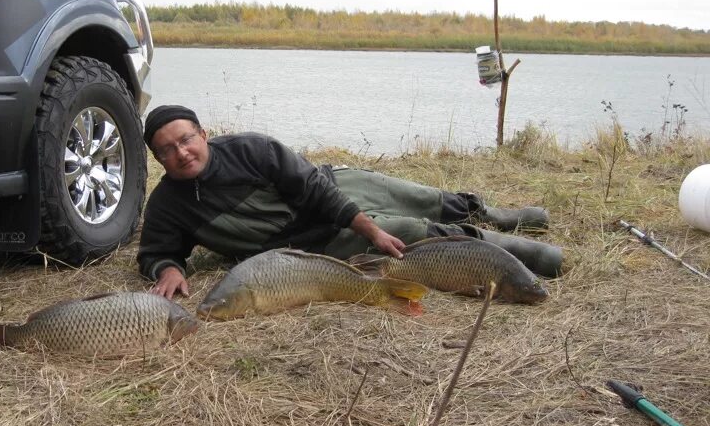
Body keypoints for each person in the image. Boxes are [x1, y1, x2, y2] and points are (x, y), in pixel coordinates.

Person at [138, 105, 562, 299]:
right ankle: (521, 256)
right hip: (311, 242)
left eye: (186, 139)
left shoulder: (253, 149)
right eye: (167, 150)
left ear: (203, 134)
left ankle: (494, 214)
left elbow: (315, 191)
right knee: (415, 235)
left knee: (421, 197)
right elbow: (156, 251)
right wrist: (169, 268)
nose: (181, 153)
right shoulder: (167, 204)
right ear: (158, 159)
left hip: (331, 189)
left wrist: (369, 227)